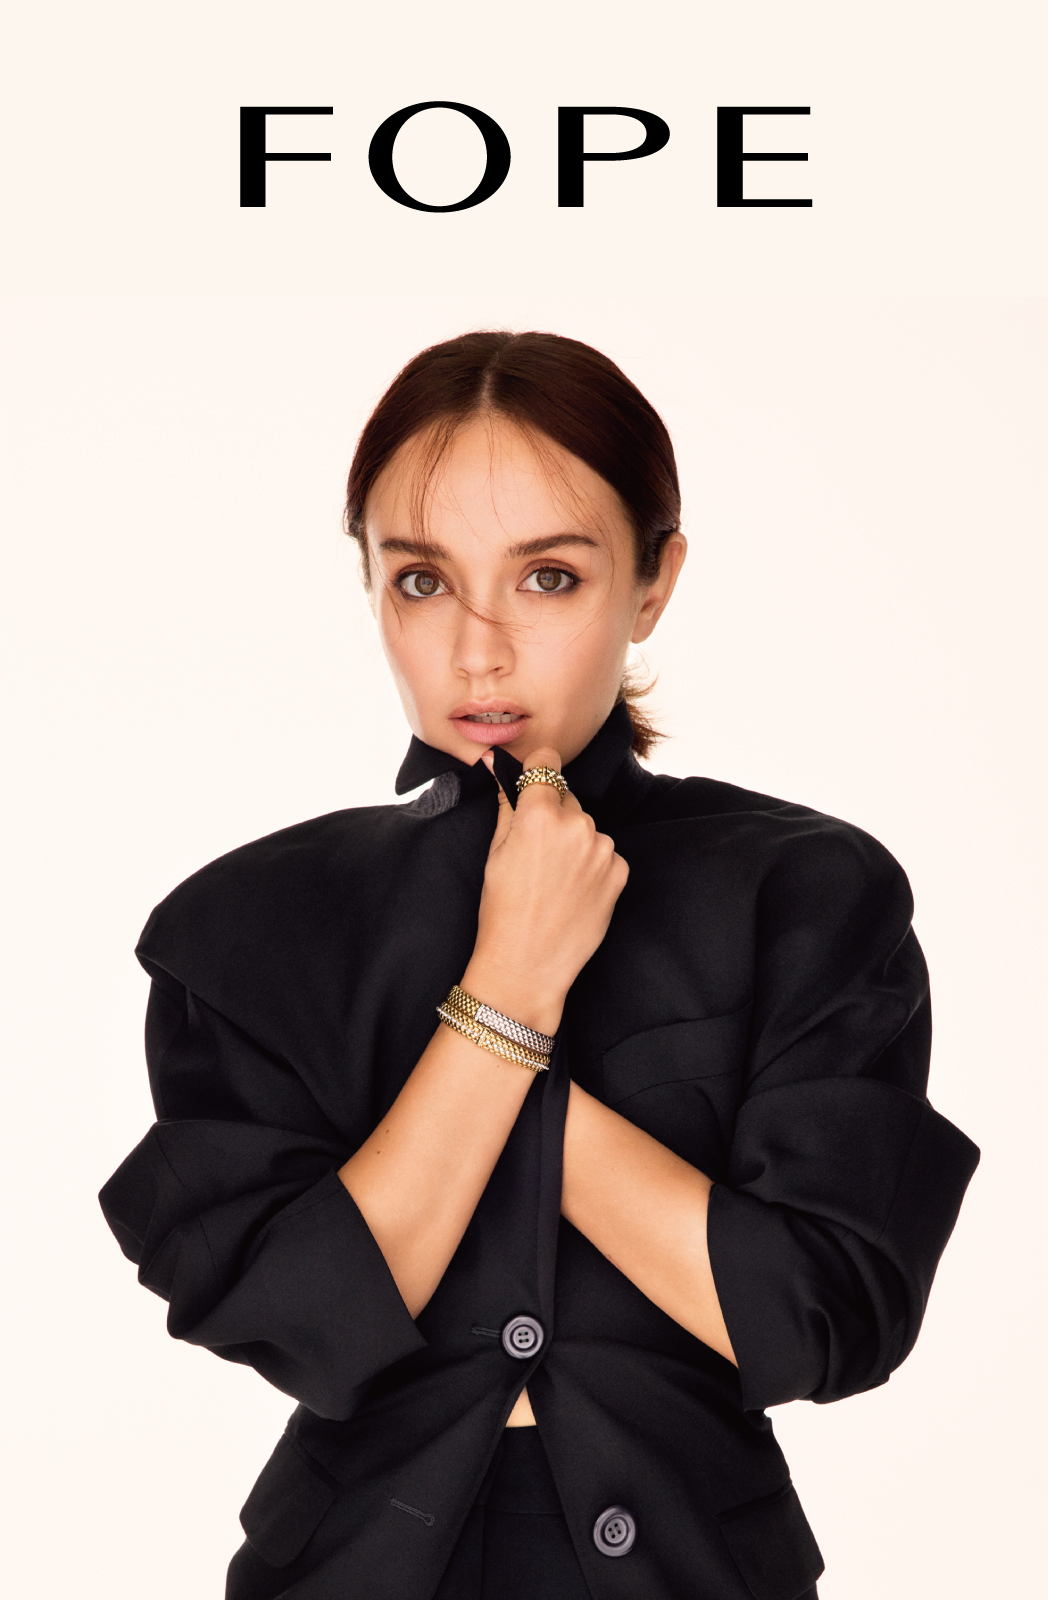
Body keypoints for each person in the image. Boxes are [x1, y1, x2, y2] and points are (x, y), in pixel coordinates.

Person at [100, 331, 979, 1600]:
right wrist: (507, 989)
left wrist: (486, 1069)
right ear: (369, 581)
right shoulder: (255, 924)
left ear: (653, 581)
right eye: (421, 580)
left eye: (549, 577)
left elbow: (820, 1315)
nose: (478, 651)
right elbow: (299, 1318)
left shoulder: (803, 894)